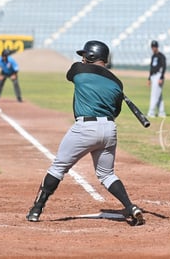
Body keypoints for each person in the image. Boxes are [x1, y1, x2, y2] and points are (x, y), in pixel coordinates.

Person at [26, 40, 145, 226]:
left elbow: (70, 75)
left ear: (91, 56)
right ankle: (131, 207)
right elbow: (115, 112)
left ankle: (36, 209)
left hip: (85, 127)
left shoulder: (78, 69)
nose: (82, 58)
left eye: (85, 55)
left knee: (58, 167)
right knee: (107, 175)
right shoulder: (117, 83)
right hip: (109, 129)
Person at [147, 40, 166, 118]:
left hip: (158, 75)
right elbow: (151, 67)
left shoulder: (161, 56)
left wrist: (161, 77)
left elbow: (164, 67)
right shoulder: (153, 56)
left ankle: (151, 112)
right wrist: (149, 78)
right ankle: (162, 112)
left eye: (155, 47)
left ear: (157, 47)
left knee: (155, 95)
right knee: (159, 95)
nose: (153, 48)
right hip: (153, 76)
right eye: (152, 47)